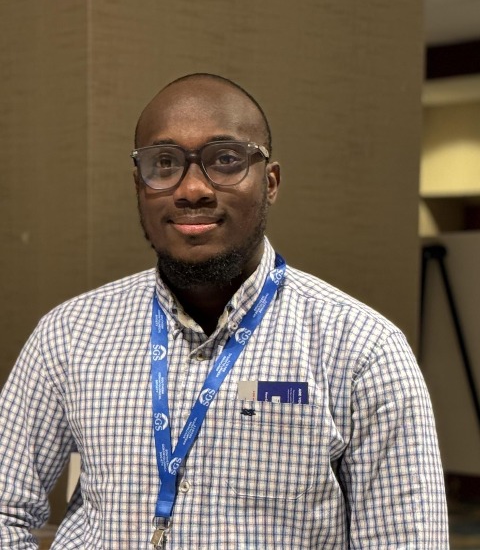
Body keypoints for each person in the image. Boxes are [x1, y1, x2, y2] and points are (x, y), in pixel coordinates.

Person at [0, 73, 449, 549]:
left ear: (270, 182)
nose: (192, 188)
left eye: (226, 160)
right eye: (165, 163)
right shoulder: (70, 334)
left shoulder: (363, 351)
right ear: (139, 185)